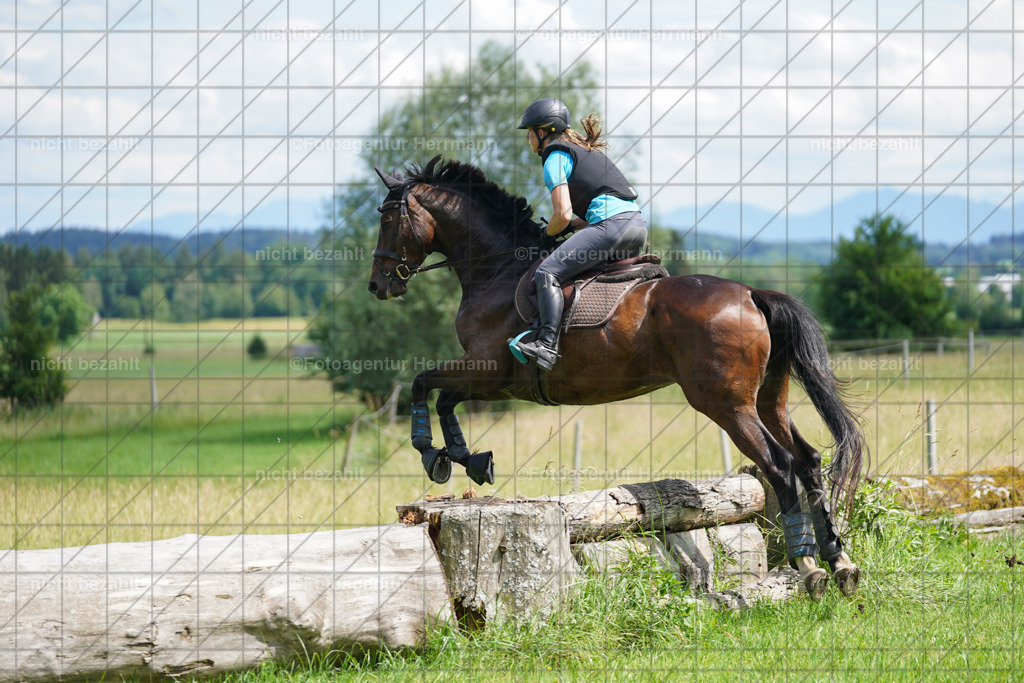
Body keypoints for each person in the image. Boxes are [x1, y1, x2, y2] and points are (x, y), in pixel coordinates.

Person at [513, 97, 648, 371]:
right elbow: (602, 204)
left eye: (529, 132)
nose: (527, 138)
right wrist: (578, 224)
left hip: (612, 228)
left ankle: (546, 345)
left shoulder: (555, 155)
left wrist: (548, 235)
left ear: (542, 132)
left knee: (547, 272)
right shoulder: (586, 151)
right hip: (636, 227)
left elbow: (561, 213)